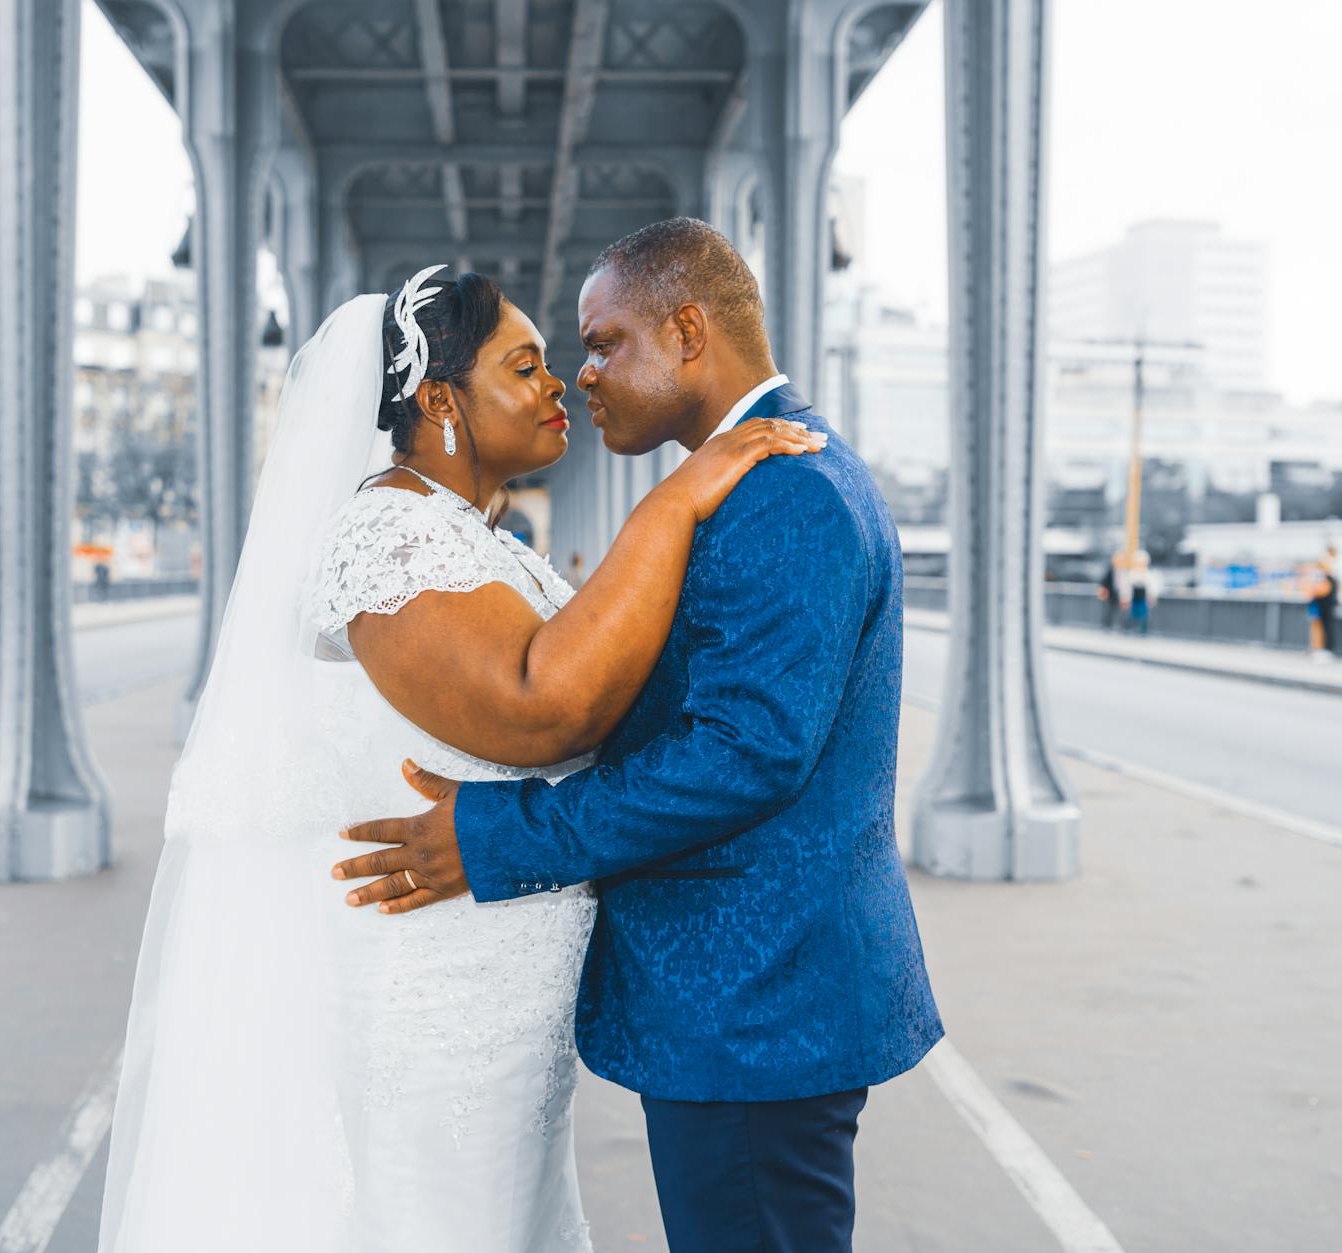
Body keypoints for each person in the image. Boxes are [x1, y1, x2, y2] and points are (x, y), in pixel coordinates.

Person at [97, 263, 825, 1252]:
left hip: (502, 1013)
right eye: (522, 367)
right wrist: (672, 505)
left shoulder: (478, 540)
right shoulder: (389, 536)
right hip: (432, 1006)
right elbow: (542, 706)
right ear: (439, 400)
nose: (556, 382)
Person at [334, 219, 943, 1252]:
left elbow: (740, 754)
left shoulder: (780, 488)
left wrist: (495, 834)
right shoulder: (755, 476)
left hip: (755, 1006)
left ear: (690, 332)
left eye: (605, 342)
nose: (583, 375)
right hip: (751, 996)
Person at [1308, 549, 1340, 660]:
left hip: (1326, 607)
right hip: (1324, 607)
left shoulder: (1328, 579)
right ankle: (1322, 649)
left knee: (1327, 628)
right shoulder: (1328, 579)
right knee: (1324, 628)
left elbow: (1321, 592)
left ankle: (1327, 650)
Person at [1128, 551, 1153, 636]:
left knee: (1144, 613)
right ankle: (1133, 628)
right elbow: (1130, 583)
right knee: (1134, 613)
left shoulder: (1147, 573)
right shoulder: (1133, 572)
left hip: (1143, 597)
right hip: (1134, 597)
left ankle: (1142, 630)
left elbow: (1150, 585)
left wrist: (1151, 596)